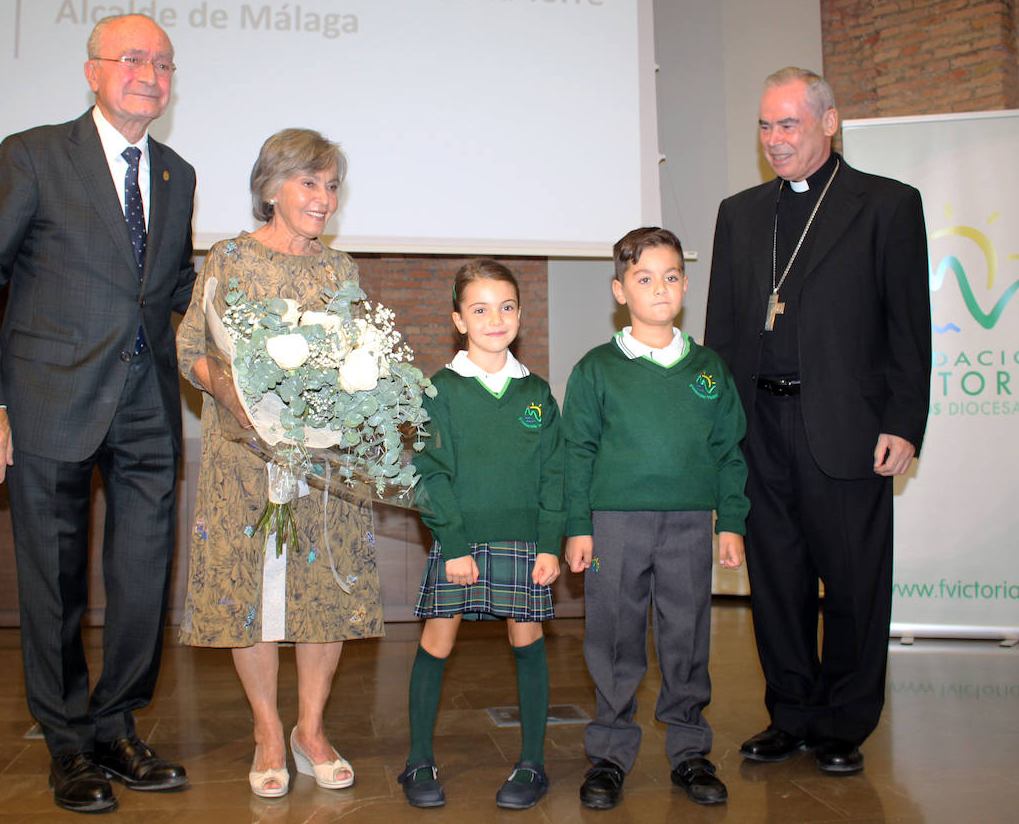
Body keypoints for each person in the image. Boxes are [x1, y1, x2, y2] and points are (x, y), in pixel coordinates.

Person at [0, 14, 195, 813]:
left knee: (141, 580)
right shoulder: (34, 155)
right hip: (46, 405)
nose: (148, 74)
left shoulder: (177, 174)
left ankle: (116, 727)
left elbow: (173, 290)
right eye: (132, 59)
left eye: (162, 63)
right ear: (92, 71)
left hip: (149, 409)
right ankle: (66, 745)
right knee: (54, 586)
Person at [703, 67, 931, 776]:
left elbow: (908, 328)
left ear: (829, 123)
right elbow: (720, 333)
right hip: (758, 423)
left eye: (789, 124)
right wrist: (719, 432)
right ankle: (792, 714)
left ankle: (845, 721)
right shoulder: (739, 214)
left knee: (854, 581)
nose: (774, 140)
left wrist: (904, 420)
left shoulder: (886, 206)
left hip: (847, 426)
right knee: (778, 580)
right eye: (765, 126)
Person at [175, 128, 381, 799]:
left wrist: (350, 391)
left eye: (331, 185)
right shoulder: (230, 259)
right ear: (270, 189)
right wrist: (231, 391)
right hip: (244, 455)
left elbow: (356, 361)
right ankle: (268, 730)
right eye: (309, 183)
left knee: (324, 592)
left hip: (324, 464)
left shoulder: (338, 270)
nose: (324, 198)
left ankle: (311, 730)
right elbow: (191, 350)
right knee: (251, 592)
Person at [563, 227, 750, 810]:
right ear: (620, 290)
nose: (659, 288)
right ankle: (611, 754)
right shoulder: (597, 369)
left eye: (671, 276)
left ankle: (690, 749)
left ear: (686, 285)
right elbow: (577, 452)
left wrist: (732, 522)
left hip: (691, 523)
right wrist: (578, 524)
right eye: (644, 278)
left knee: (686, 634)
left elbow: (729, 452)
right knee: (614, 638)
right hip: (614, 524)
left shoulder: (709, 369)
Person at [398, 259, 565, 812]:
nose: (496, 318)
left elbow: (554, 474)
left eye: (507, 306)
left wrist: (549, 543)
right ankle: (418, 759)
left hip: (523, 544)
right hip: (459, 546)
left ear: (519, 314)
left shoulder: (537, 392)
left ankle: (532, 761)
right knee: (436, 641)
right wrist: (455, 545)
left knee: (528, 641)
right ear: (458, 319)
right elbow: (430, 472)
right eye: (480, 308)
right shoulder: (438, 390)